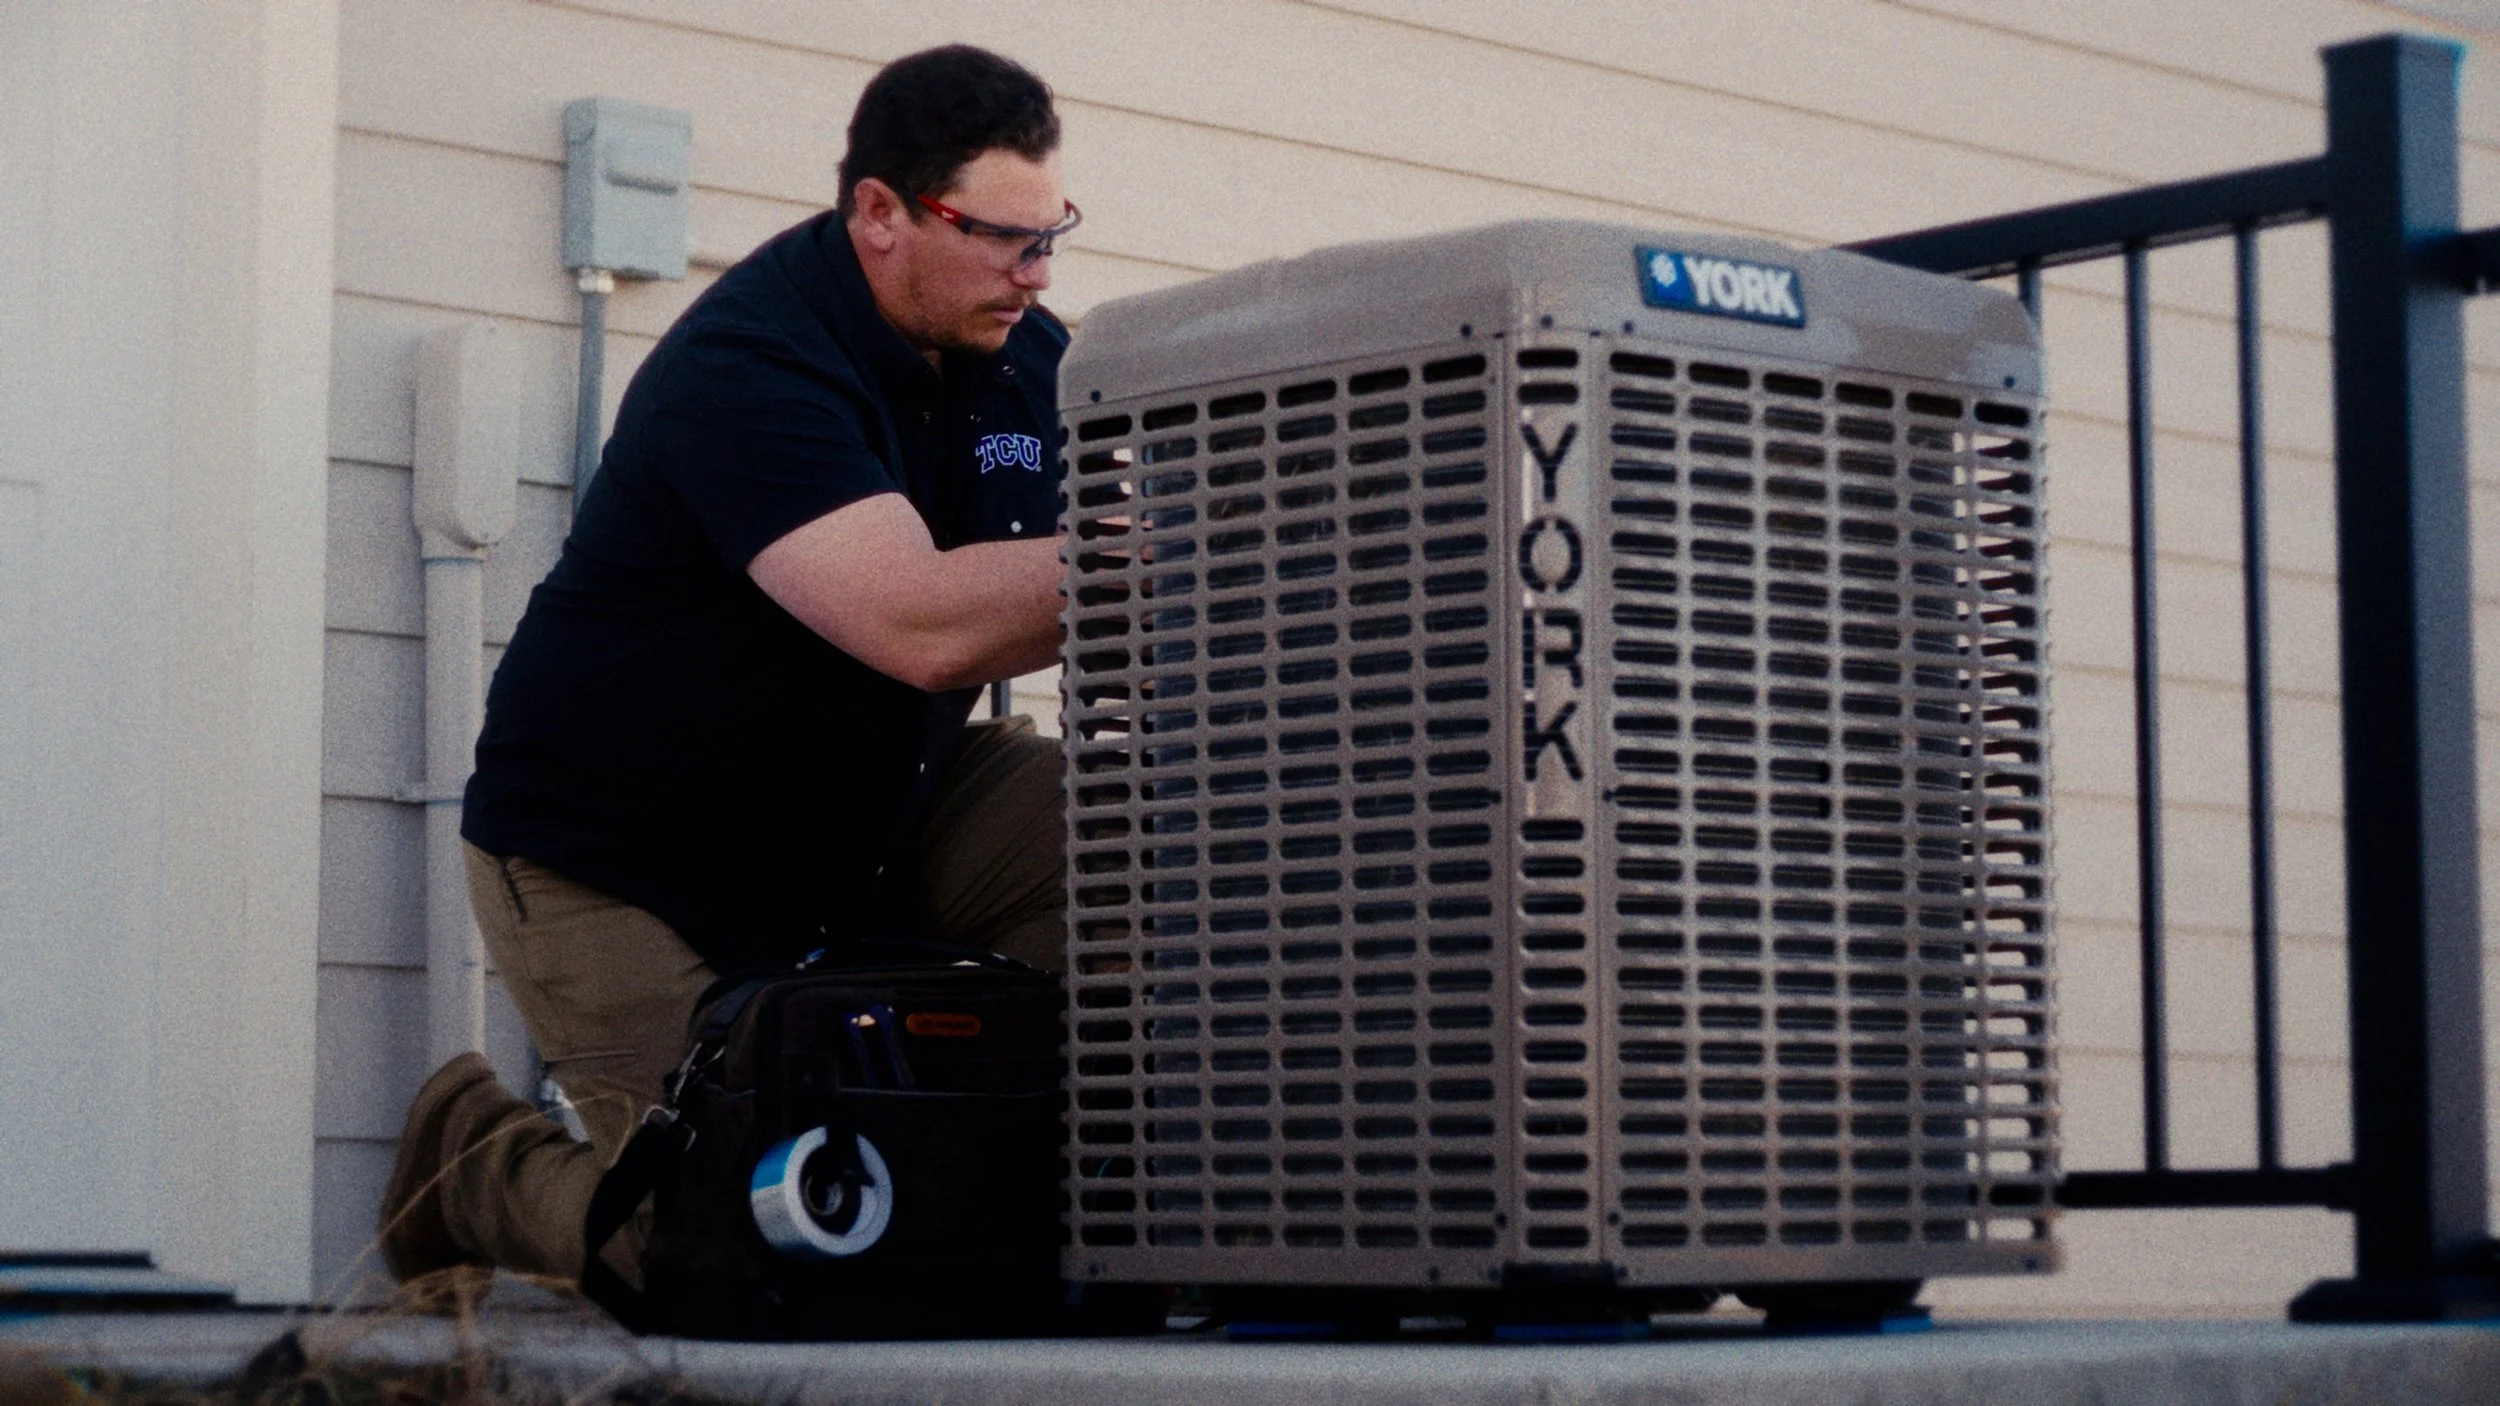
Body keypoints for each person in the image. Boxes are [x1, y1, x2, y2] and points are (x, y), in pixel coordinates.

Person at [377, 44, 1078, 1287]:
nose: (1033, 271)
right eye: (998, 236)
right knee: (719, 1238)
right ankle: (468, 1157)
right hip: (625, 858)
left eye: (1052, 233)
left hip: (872, 810)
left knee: (1153, 846)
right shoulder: (750, 364)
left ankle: (1080, 1198)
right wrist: (1146, 556)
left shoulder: (1028, 357)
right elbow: (916, 620)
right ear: (879, 212)